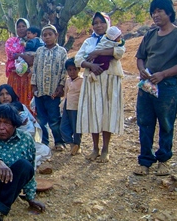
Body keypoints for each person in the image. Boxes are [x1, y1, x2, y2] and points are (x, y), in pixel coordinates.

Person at [134, 0, 177, 176]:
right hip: (146, 86)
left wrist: (163, 74)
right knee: (145, 123)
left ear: (169, 12)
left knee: (166, 124)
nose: (156, 15)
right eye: (153, 12)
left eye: (160, 11)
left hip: (167, 86)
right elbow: (140, 57)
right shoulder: (150, 35)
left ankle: (164, 160)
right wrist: (142, 69)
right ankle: (145, 161)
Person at [75, 12, 125, 163]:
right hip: (93, 81)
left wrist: (98, 52)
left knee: (107, 113)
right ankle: (95, 148)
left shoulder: (116, 38)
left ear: (108, 23)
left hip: (110, 80)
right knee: (94, 113)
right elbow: (78, 59)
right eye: (95, 23)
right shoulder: (88, 41)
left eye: (101, 22)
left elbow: (120, 52)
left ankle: (106, 149)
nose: (98, 25)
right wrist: (90, 65)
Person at [31, 25, 67, 150]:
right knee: (40, 119)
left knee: (54, 119)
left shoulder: (62, 51)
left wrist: (61, 87)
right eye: (44, 35)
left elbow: (64, 71)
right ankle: (44, 142)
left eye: (50, 34)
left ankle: (58, 141)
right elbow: (34, 69)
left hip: (53, 92)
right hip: (40, 92)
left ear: (56, 36)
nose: (47, 37)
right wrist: (34, 86)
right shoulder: (39, 51)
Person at [5, 18, 34, 108]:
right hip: (15, 77)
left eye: (23, 26)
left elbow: (33, 59)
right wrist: (25, 56)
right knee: (13, 102)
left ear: (28, 27)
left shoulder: (34, 42)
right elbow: (11, 55)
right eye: (18, 27)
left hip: (28, 77)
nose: (21, 28)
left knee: (28, 104)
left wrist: (18, 55)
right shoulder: (11, 41)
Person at [60, 58, 83, 156]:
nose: (72, 72)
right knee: (63, 127)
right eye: (69, 70)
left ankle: (77, 145)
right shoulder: (68, 80)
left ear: (79, 69)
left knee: (76, 127)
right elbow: (66, 93)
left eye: (74, 69)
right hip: (67, 105)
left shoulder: (82, 80)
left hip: (77, 107)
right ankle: (71, 143)